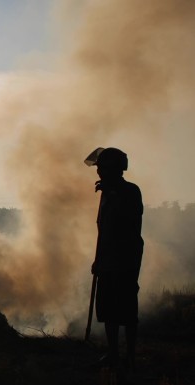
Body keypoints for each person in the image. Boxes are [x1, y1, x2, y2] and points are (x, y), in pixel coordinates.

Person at [85, 147, 144, 369]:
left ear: (113, 168)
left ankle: (129, 355)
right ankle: (113, 353)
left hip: (126, 257)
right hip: (108, 257)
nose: (98, 171)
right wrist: (98, 259)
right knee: (108, 307)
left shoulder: (129, 191)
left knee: (127, 308)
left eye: (102, 167)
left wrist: (111, 193)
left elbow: (128, 220)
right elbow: (104, 231)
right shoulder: (106, 193)